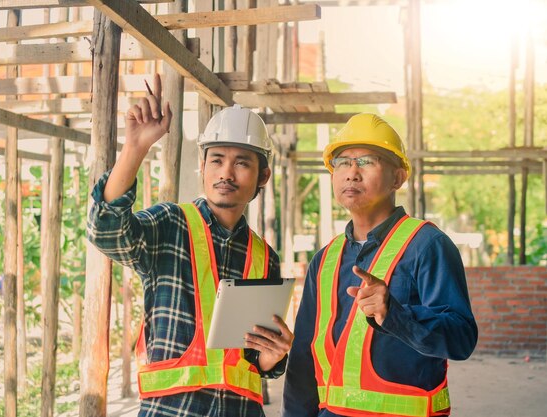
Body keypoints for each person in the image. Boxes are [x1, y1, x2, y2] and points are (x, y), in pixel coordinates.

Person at [87, 74, 293, 417]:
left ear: (263, 177)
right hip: (173, 411)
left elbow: (255, 359)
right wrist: (135, 148)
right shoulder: (170, 226)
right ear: (202, 166)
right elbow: (105, 231)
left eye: (242, 162)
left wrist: (274, 357)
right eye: (217, 159)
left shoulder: (264, 258)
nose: (226, 172)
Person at [282, 113, 478, 417]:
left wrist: (396, 316)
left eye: (367, 161)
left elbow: (461, 339)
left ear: (397, 178)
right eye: (343, 162)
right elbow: (304, 360)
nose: (351, 173)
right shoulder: (324, 259)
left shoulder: (427, 245)